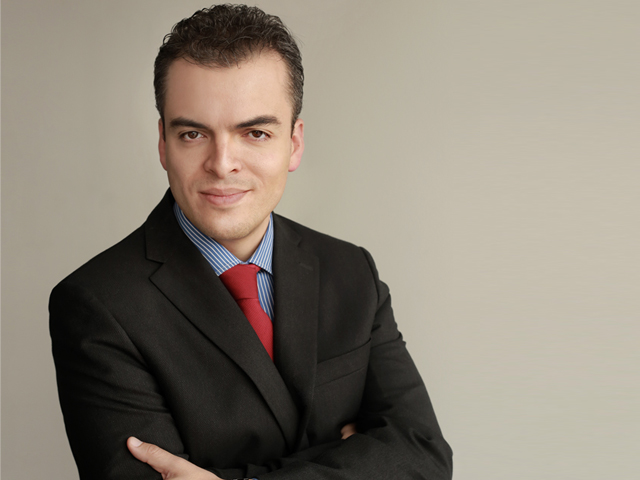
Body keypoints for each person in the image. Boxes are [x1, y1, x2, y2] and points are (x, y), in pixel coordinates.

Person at [49, 4, 453, 479]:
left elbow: (424, 457)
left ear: (293, 143)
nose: (223, 163)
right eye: (193, 133)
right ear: (163, 143)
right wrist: (354, 459)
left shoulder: (350, 270)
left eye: (255, 133)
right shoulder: (98, 304)